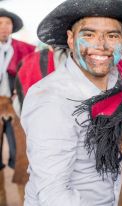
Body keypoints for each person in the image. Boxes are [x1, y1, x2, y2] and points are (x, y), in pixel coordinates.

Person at [20, 0, 122, 205]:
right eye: (89, 34)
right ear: (70, 38)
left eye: (111, 36)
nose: (101, 45)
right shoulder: (52, 100)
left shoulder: (119, 83)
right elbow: (53, 194)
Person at [0, 8, 35, 205]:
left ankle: (25, 200)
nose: (4, 27)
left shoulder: (24, 49)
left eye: (7, 23)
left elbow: (31, 76)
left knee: (21, 153)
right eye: (0, 23)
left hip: (14, 105)